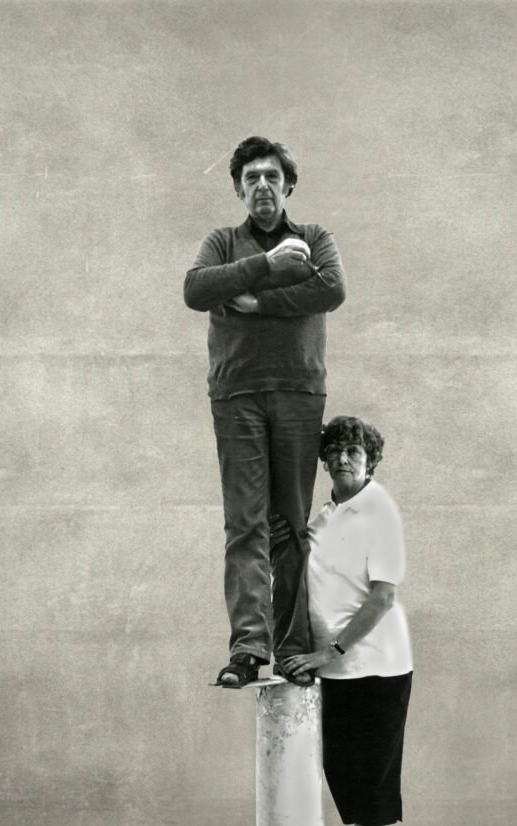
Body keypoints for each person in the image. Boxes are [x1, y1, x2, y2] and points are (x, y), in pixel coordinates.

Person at [184, 136, 347, 688]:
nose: (261, 186)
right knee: (245, 524)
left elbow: (331, 288)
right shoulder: (222, 242)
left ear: (288, 185)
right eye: (251, 177)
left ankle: (293, 649)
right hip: (237, 395)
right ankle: (248, 649)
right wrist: (269, 265)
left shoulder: (315, 238)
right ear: (238, 188)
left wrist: (256, 302)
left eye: (272, 177)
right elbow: (196, 289)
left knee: (292, 527)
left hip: (299, 392)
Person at [276, 415, 413, 826]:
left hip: (378, 664)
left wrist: (329, 651)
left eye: (353, 451)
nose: (342, 458)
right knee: (344, 772)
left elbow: (383, 597)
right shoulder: (327, 514)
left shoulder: (379, 510)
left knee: (372, 773)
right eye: (334, 450)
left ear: (370, 460)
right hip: (332, 668)